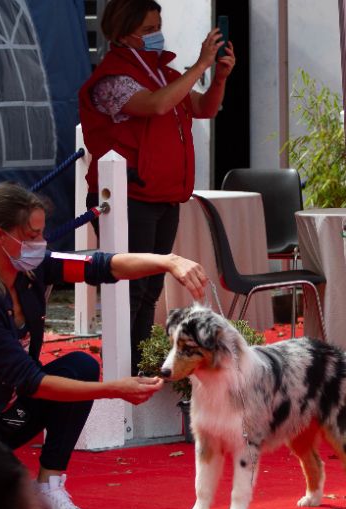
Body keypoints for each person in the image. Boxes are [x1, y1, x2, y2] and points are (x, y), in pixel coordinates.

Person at [0, 183, 208, 509]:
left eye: (42, 234)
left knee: (81, 365)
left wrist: (167, 260)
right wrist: (115, 390)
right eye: (33, 235)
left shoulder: (33, 267)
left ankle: (48, 486)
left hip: (5, 413)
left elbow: (102, 266)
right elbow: (32, 382)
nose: (41, 244)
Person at [78, 0, 235, 371]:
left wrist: (220, 77)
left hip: (163, 195)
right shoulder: (112, 79)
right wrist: (199, 65)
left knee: (150, 291)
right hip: (130, 196)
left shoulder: (162, 70)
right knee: (129, 290)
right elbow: (158, 105)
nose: (156, 34)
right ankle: (122, 368)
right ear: (123, 34)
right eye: (148, 29)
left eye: (157, 26)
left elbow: (202, 107)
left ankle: (142, 364)